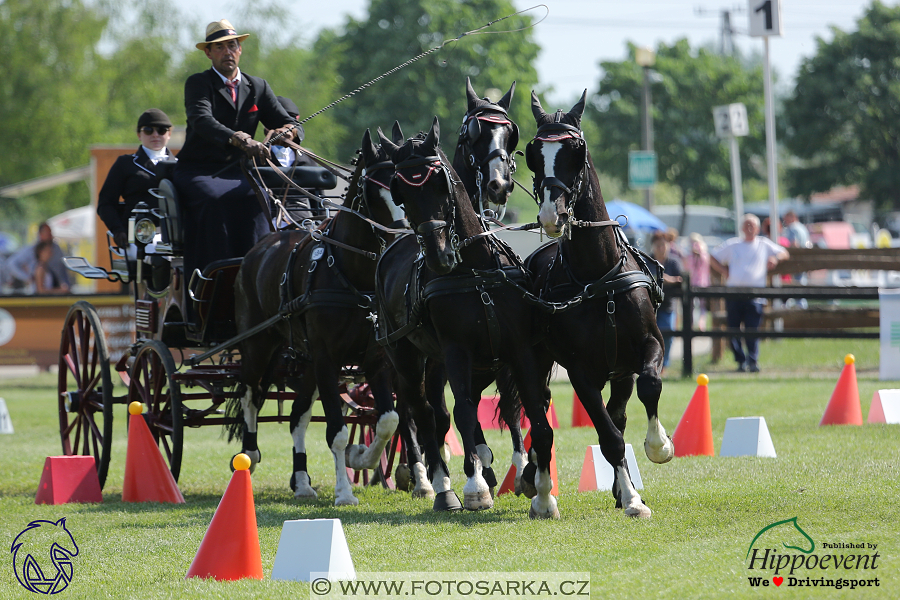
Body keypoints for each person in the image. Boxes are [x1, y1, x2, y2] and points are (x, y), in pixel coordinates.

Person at [172, 19, 301, 287]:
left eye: (232, 45)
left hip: (239, 171)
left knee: (260, 201)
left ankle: (257, 281)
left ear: (240, 49)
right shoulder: (198, 83)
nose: (227, 52)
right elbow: (201, 120)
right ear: (208, 53)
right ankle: (211, 284)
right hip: (199, 170)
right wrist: (239, 138)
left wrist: (289, 131)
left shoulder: (258, 87)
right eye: (219, 47)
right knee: (215, 200)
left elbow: (285, 120)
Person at [710, 214, 789, 373]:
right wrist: (724, 270)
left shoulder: (764, 244)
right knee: (733, 328)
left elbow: (784, 253)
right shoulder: (733, 244)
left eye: (752, 225)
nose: (749, 228)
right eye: (746, 224)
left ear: (758, 228)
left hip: (755, 294)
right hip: (734, 292)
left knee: (752, 329)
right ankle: (740, 361)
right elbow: (712, 256)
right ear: (741, 227)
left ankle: (753, 361)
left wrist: (775, 259)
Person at [97, 109, 176, 250]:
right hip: (138, 235)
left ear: (169, 134)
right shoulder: (125, 164)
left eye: (162, 130)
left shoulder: (180, 166)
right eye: (148, 130)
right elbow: (105, 203)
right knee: (155, 252)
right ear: (139, 134)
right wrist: (118, 230)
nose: (155, 135)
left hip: (174, 235)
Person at [5, 222, 70, 293]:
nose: (51, 253)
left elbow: (61, 270)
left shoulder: (56, 249)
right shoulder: (38, 265)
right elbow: (40, 290)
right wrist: (27, 277)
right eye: (47, 233)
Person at [651, 233, 683, 375]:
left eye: (663, 245)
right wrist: (667, 279)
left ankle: (664, 365)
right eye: (658, 245)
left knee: (668, 335)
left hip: (668, 305)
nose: (661, 248)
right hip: (649, 307)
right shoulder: (647, 260)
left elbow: (681, 280)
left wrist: (664, 278)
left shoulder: (674, 262)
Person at [685, 233, 710, 331]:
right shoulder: (690, 256)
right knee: (692, 306)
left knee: (702, 305)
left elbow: (704, 265)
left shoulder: (703, 255)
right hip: (694, 282)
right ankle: (691, 324)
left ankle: (701, 323)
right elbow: (688, 267)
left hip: (701, 282)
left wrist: (698, 254)